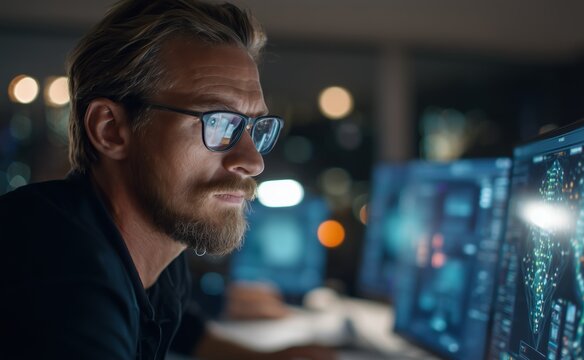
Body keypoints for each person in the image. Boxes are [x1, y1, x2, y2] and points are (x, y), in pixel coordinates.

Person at [0, 0, 335, 359]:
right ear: (110, 130)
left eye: (255, 128)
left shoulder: (153, 248)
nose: (253, 162)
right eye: (219, 123)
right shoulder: (58, 275)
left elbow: (183, 332)